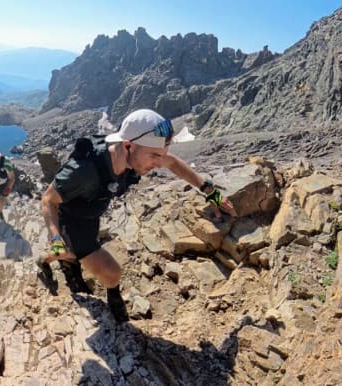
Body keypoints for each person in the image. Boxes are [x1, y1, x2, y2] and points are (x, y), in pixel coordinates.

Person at [39, 109, 236, 322]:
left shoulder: (136, 155)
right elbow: (48, 200)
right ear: (127, 145)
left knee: (74, 253)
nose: (158, 163)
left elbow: (173, 162)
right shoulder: (85, 169)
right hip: (71, 218)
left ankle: (63, 259)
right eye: (153, 156)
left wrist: (210, 191)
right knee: (109, 271)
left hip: (92, 211)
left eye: (160, 154)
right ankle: (55, 263)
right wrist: (56, 236)